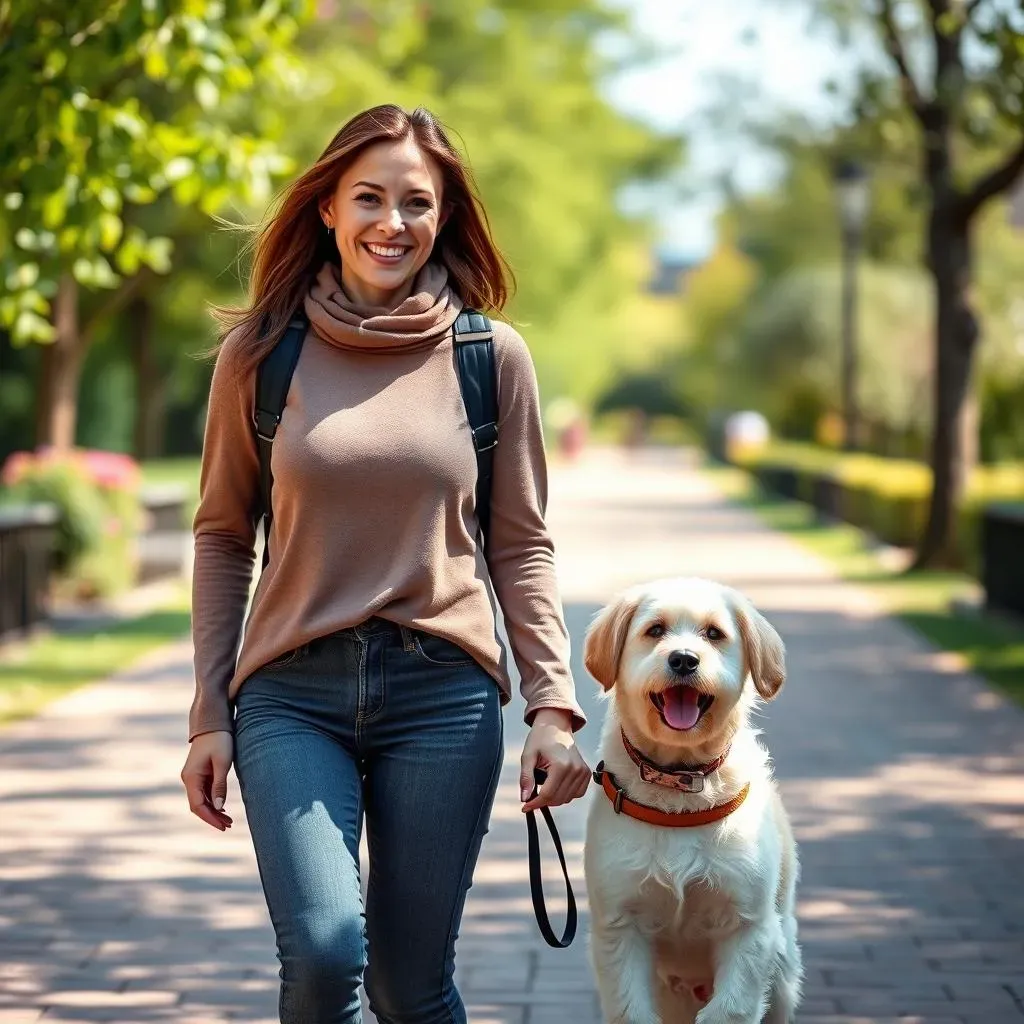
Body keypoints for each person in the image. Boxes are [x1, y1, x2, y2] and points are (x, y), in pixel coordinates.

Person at [179, 103, 591, 1024]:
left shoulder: (492, 358)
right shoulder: (260, 355)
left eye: (417, 202)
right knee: (325, 958)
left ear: (444, 216)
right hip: (291, 694)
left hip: (442, 697)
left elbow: (521, 542)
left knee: (411, 987)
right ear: (327, 207)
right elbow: (220, 537)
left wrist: (553, 706)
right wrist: (210, 713)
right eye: (368, 197)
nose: (391, 223)